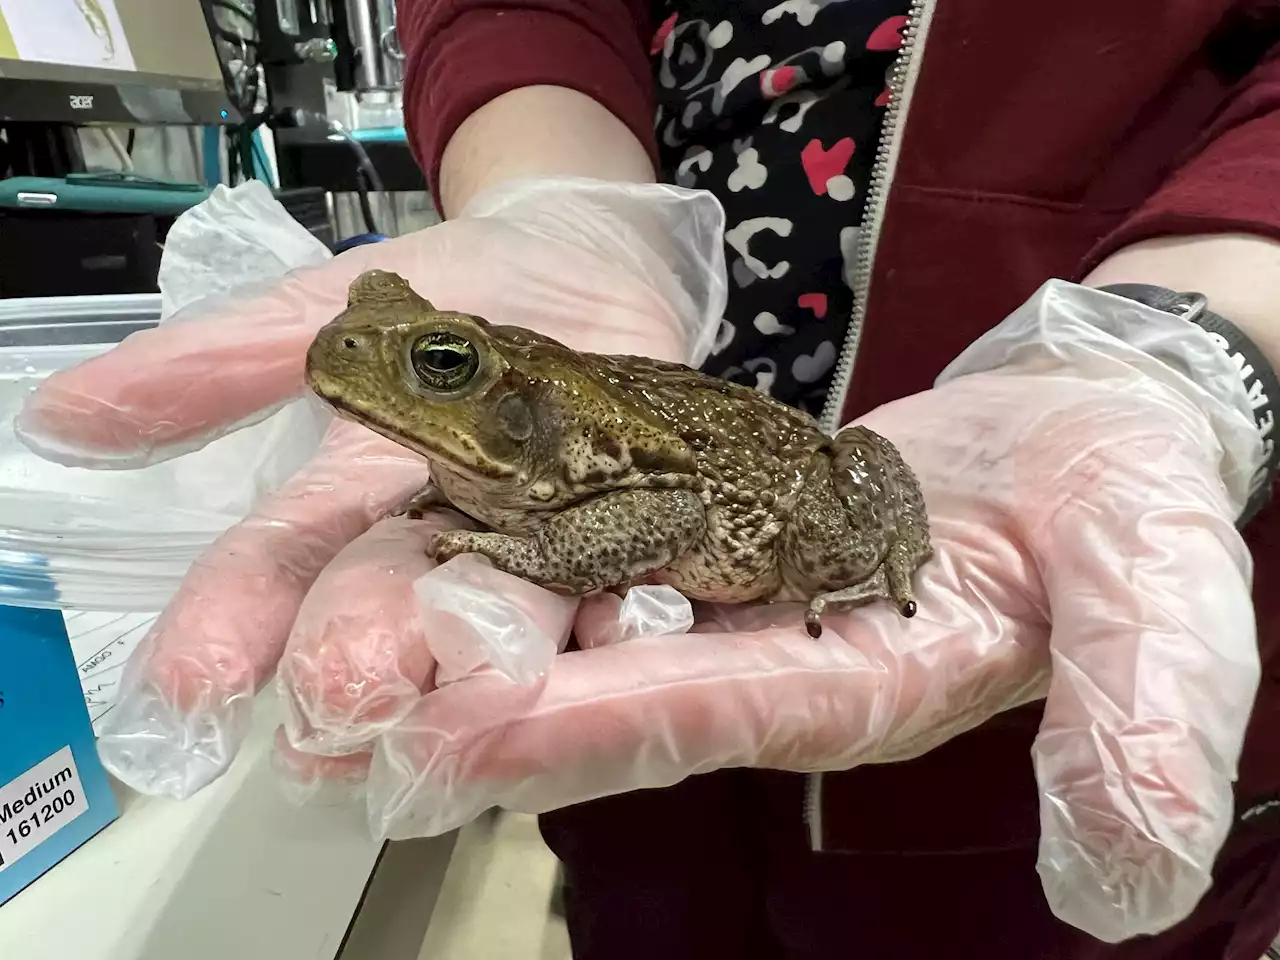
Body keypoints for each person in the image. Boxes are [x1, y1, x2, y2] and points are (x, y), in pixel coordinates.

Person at [16, 0, 1280, 956]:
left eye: (438, 363)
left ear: (497, 393)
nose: (365, 360)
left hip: (885, 612)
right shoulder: (519, 446)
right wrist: (554, 192)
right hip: (641, 798)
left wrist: (1183, 340)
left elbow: (673, 508)